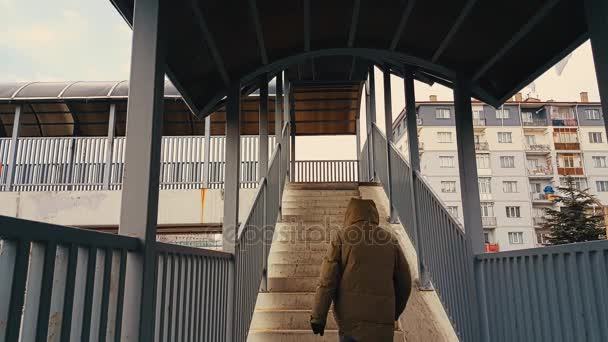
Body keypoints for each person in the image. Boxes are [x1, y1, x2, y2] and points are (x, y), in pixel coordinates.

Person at [310, 198, 412, 341]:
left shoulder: (342, 237)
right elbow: (405, 282)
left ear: (349, 214)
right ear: (374, 214)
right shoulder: (390, 240)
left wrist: (318, 317)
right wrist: (393, 313)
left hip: (351, 326)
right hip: (382, 327)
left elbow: (328, 280)